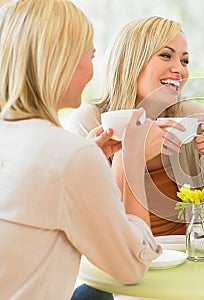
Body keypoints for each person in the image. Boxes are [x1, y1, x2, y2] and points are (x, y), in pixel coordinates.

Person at [0, 1, 161, 299]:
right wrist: (131, 161)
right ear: (61, 61)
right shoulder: (69, 155)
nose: (91, 69)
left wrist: (89, 162)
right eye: (91, 55)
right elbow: (130, 266)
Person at [67, 16, 204, 237]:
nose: (180, 69)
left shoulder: (196, 118)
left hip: (188, 259)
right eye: (166, 56)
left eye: (185, 61)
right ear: (132, 61)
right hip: (127, 258)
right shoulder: (89, 122)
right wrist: (130, 154)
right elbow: (95, 231)